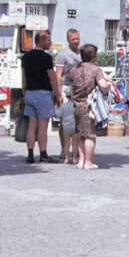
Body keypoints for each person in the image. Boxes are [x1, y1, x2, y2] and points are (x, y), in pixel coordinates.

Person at [21, 30, 61, 164]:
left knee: (32, 124)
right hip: (43, 93)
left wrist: (24, 92)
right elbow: (52, 78)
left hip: (30, 93)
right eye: (48, 40)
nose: (50, 43)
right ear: (41, 41)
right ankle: (43, 154)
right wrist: (58, 94)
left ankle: (30, 154)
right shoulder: (46, 58)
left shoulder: (26, 56)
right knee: (43, 126)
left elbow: (24, 77)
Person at [67, 44, 110, 169]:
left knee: (81, 134)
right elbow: (103, 85)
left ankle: (81, 161)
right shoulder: (96, 70)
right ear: (93, 56)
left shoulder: (74, 70)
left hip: (77, 105)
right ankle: (88, 162)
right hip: (90, 106)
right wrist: (108, 88)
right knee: (90, 135)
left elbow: (71, 89)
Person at [54, 29, 81, 162]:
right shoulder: (63, 54)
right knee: (64, 123)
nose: (76, 41)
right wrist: (59, 93)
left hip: (78, 90)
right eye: (73, 39)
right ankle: (63, 150)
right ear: (68, 40)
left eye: (77, 38)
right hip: (65, 88)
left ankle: (77, 152)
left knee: (78, 122)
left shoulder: (82, 54)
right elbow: (58, 75)